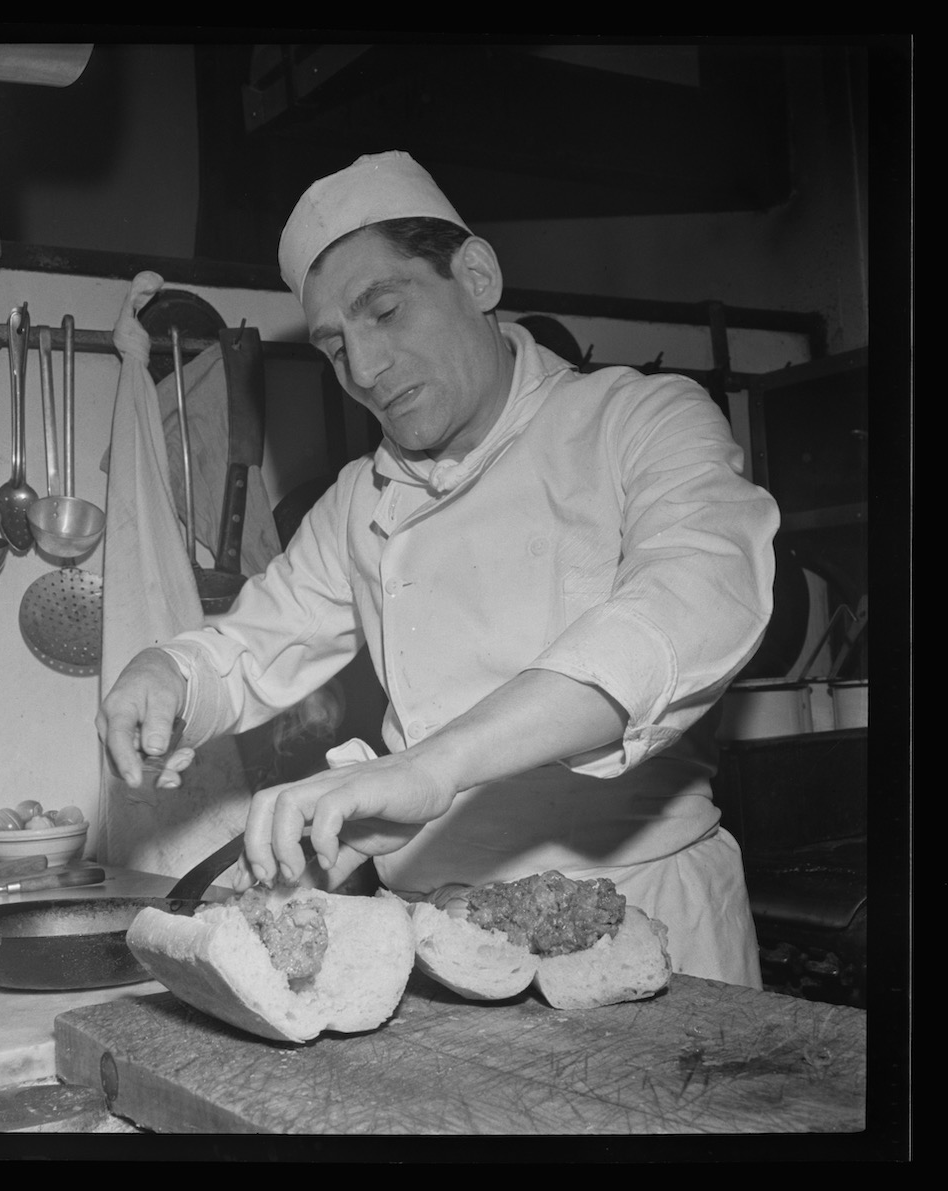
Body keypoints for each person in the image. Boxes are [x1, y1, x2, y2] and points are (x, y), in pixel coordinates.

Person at [97, 150, 780, 988]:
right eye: (336, 346)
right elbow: (250, 645)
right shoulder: (361, 499)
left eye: (384, 311)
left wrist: (432, 766)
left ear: (477, 274)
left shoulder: (639, 421)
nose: (367, 369)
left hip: (644, 923)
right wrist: (168, 669)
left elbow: (689, 605)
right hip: (436, 941)